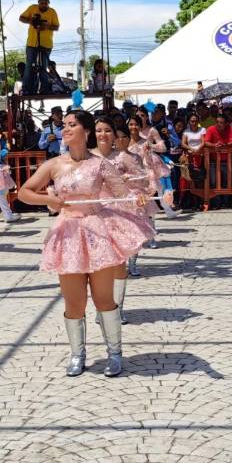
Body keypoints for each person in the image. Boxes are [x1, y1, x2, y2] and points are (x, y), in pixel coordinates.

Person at [17, 110, 152, 377]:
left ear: (86, 131)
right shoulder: (55, 164)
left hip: (98, 232)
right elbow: (24, 192)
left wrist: (138, 199)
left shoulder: (100, 164)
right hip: (68, 235)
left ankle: (114, 353)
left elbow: (122, 196)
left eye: (71, 125)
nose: (65, 129)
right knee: (74, 303)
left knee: (104, 299)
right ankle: (78, 354)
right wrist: (49, 200)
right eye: (64, 125)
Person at [91, 117, 156, 317]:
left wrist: (129, 183)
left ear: (115, 135)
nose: (103, 135)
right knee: (98, 266)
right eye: (98, 130)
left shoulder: (124, 157)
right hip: (93, 216)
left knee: (118, 266)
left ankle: (117, 308)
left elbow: (143, 182)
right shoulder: (86, 157)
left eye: (108, 131)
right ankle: (101, 307)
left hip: (119, 214)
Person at [19, 0, 60, 94]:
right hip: (32, 43)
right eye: (42, 3)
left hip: (46, 44)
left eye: (45, 3)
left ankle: (44, 89)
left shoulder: (52, 12)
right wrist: (31, 21)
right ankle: (26, 89)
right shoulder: (32, 8)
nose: (43, 5)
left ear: (48, 3)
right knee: (29, 66)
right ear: (38, 2)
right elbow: (21, 18)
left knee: (43, 67)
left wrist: (46, 27)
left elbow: (56, 27)